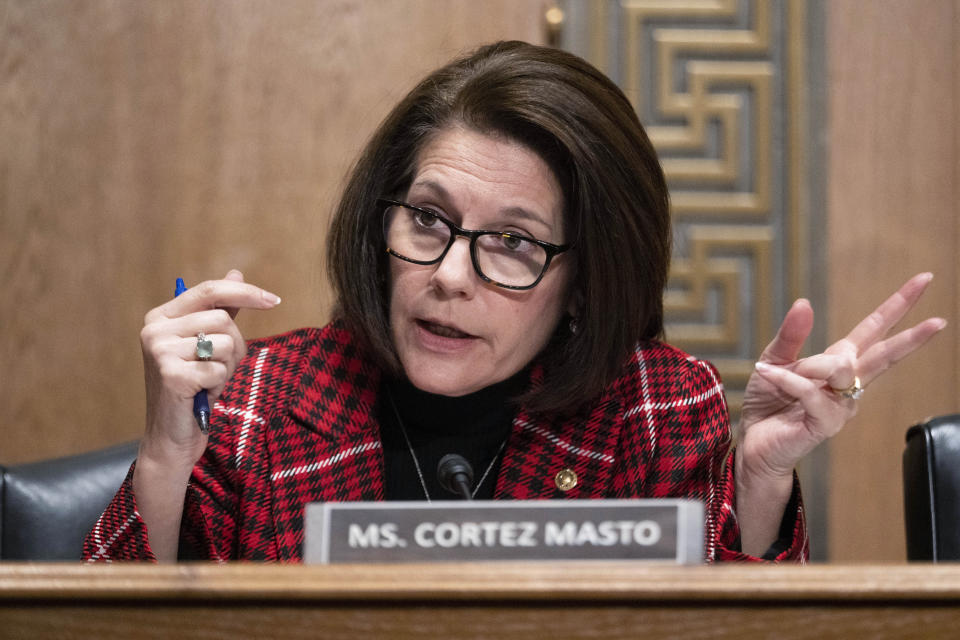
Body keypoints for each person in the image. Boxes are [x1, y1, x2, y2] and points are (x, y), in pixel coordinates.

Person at [83, 41, 945, 563]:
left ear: (583, 282)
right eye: (428, 220)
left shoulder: (653, 408)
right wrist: (164, 454)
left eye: (514, 243)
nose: (450, 273)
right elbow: (124, 630)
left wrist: (757, 479)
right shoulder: (261, 400)